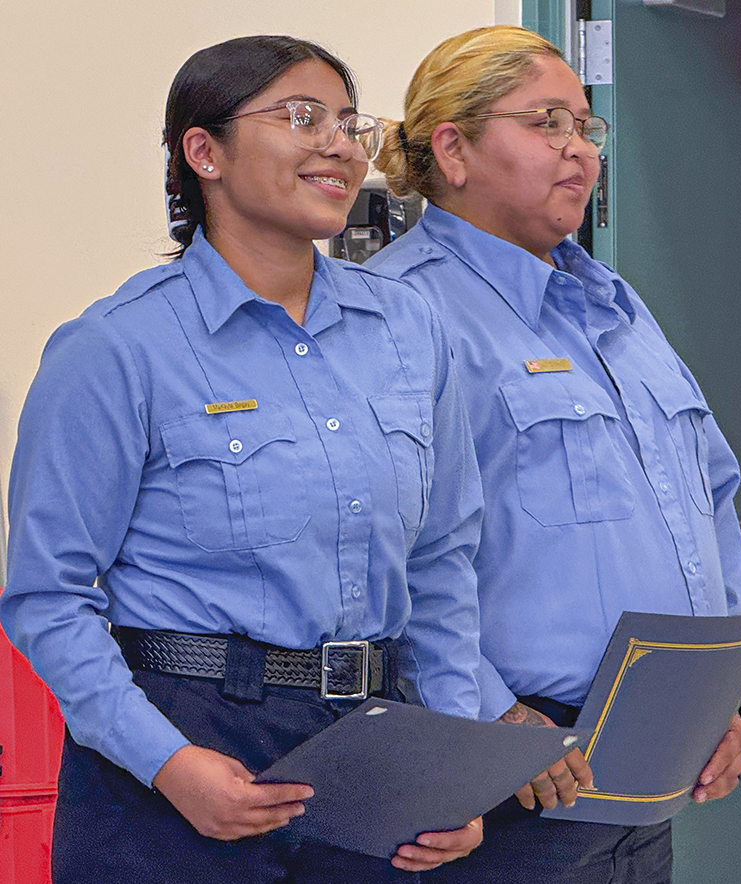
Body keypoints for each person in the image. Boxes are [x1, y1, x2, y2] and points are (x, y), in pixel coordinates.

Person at [0, 35, 486, 883]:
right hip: (184, 745)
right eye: (302, 117)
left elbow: (442, 563)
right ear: (203, 151)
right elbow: (48, 598)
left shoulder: (409, 330)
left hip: (374, 746)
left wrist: (453, 763)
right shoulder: (116, 348)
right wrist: (164, 762)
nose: (339, 144)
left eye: (348, 123)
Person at [366, 25, 741, 884]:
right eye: (546, 123)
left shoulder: (613, 304)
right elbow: (386, 553)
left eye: (586, 127)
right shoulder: (397, 315)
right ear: (454, 149)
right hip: (512, 783)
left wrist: (719, 697)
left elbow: (709, 492)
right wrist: (488, 717)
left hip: (650, 775)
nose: (579, 151)